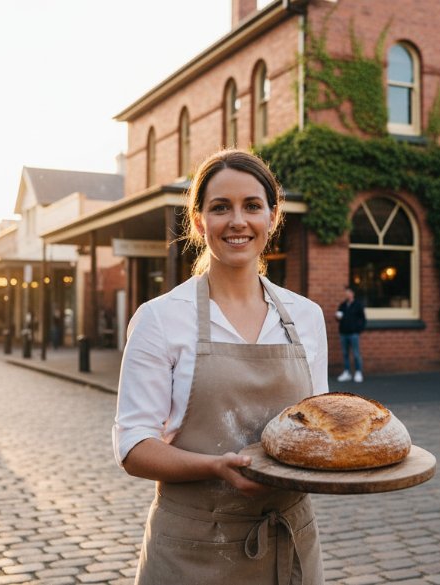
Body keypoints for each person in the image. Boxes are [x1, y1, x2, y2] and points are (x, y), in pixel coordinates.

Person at [113, 149, 329, 584]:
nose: (237, 221)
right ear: (197, 222)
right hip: (192, 549)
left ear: (272, 217)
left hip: (289, 547)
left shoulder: (306, 316)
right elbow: (134, 447)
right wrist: (214, 467)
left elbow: (315, 425)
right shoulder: (160, 318)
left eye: (252, 206)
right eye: (219, 207)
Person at [335, 285, 366, 383]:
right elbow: (338, 317)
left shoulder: (358, 305)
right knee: (345, 354)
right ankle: (347, 372)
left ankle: (358, 372)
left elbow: (363, 319)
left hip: (353, 334)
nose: (346, 294)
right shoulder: (343, 305)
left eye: (348, 292)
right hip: (343, 333)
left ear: (352, 293)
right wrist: (337, 317)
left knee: (356, 354)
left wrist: (358, 330)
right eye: (346, 292)